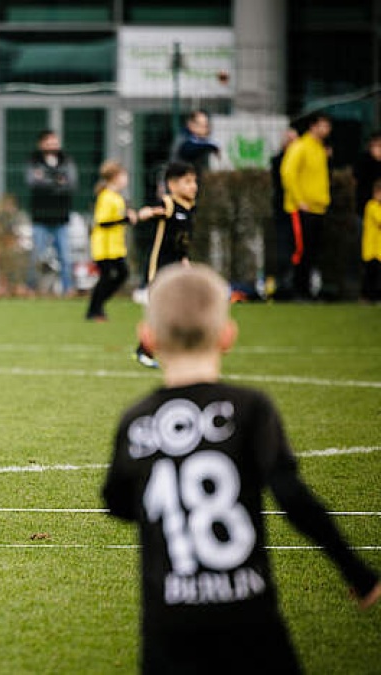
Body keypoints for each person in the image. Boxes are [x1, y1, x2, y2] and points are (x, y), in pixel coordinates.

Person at [102, 263, 381, 675]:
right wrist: (356, 570)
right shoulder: (249, 409)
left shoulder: (138, 420)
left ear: (148, 338)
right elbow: (292, 497)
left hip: (169, 627)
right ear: (228, 335)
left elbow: (117, 502)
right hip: (249, 620)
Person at [135, 161, 197, 369]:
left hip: (177, 269)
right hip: (159, 269)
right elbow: (157, 210)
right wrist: (147, 212)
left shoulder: (190, 208)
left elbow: (182, 239)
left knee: (180, 310)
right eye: (187, 182)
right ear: (172, 185)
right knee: (162, 312)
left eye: (194, 181)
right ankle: (144, 349)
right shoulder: (170, 204)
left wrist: (184, 259)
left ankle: (176, 350)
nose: (193, 186)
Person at [86, 160, 160, 322]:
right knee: (109, 276)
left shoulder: (116, 197)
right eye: (124, 176)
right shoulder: (106, 197)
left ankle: (97, 307)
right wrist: (126, 219)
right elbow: (103, 222)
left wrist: (128, 217)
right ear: (115, 177)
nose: (126, 179)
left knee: (121, 274)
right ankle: (94, 309)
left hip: (115, 246)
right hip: (104, 246)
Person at [280, 112, 333, 301]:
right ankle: (296, 291)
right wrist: (299, 199)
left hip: (318, 208)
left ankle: (307, 291)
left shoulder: (320, 149)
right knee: (300, 251)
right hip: (301, 209)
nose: (327, 129)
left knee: (312, 252)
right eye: (323, 125)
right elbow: (288, 173)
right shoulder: (300, 147)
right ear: (313, 126)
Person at [25, 130, 77, 295]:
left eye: (54, 142)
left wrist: (46, 180)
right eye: (48, 142)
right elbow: (32, 182)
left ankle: (68, 289)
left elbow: (72, 185)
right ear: (41, 144)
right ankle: (32, 290)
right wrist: (57, 181)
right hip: (40, 218)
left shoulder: (67, 161)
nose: (52, 145)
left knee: (65, 258)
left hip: (61, 218)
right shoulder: (34, 161)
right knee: (36, 258)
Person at [269, 126, 300, 300]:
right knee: (284, 248)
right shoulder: (278, 161)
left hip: (297, 210)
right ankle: (283, 286)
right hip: (285, 210)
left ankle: (294, 284)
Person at [170, 110, 221, 176]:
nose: (205, 129)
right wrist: (211, 146)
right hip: (179, 179)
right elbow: (189, 149)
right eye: (201, 125)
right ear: (190, 124)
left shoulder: (202, 141)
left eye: (206, 125)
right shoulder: (184, 137)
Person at [352, 132, 381, 218]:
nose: (377, 149)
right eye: (374, 146)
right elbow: (357, 179)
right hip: (364, 206)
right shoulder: (363, 161)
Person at [362, 178, 381, 303]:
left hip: (379, 249)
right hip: (371, 248)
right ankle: (367, 297)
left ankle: (376, 297)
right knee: (370, 274)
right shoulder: (371, 206)